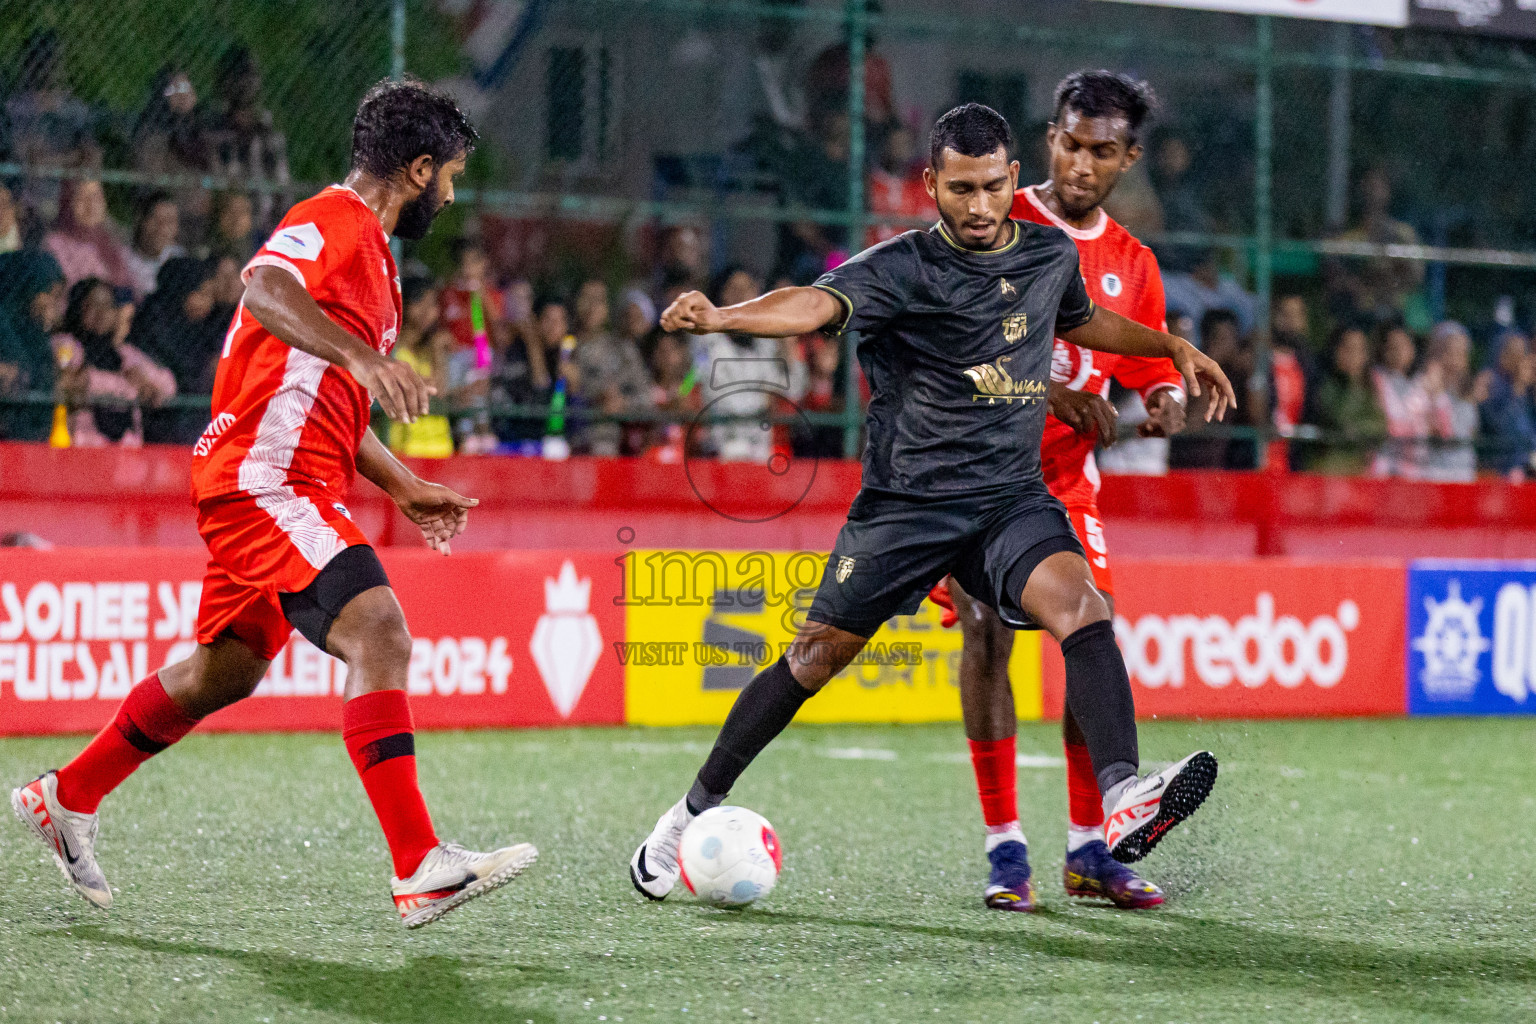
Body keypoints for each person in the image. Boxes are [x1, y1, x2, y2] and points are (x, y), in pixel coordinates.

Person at [629, 103, 1232, 907]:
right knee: (813, 659)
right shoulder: (900, 266)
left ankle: (1122, 800)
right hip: (906, 507)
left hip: (1009, 500)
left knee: (1085, 611)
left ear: (1013, 179)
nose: (978, 208)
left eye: (990, 188)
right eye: (959, 190)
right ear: (931, 186)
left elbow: (1087, 323)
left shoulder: (1049, 252)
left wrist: (1170, 347)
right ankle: (684, 816)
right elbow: (811, 304)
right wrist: (723, 316)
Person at [10, 78, 537, 929]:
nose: (451, 192)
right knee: (380, 630)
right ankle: (418, 865)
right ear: (419, 167)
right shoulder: (334, 220)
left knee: (229, 669)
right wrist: (362, 360)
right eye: (452, 176)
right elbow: (263, 290)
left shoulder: (378, 263)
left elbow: (322, 392)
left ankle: (67, 795)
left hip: (282, 475)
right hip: (267, 479)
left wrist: (402, 484)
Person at [926, 71, 1189, 912]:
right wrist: (1050, 394)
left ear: (1127, 159)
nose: (1081, 163)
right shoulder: (994, 219)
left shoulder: (1132, 264)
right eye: (1070, 143)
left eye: (1101, 151)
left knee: (1092, 641)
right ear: (1051, 137)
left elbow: (1147, 368)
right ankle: (1007, 850)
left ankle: (1089, 848)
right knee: (985, 637)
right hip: (972, 474)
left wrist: (1167, 399)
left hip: (1068, 486)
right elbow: (949, 350)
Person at [695, 265, 807, 462]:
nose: (741, 296)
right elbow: (714, 395)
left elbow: (795, 390)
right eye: (733, 289)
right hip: (720, 449)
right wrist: (764, 398)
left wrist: (788, 345)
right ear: (722, 296)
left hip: (760, 451)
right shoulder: (707, 341)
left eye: (747, 289)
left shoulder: (767, 342)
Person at [53, 277, 175, 445]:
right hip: (83, 445)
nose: (101, 313)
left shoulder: (122, 352)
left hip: (125, 448)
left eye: (108, 306)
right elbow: (70, 383)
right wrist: (126, 386)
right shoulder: (66, 344)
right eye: (92, 306)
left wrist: (146, 382)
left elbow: (168, 384)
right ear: (77, 308)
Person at [130, 256, 226, 443]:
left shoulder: (198, 327)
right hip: (160, 425)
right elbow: (182, 372)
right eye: (202, 294)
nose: (208, 302)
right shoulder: (153, 321)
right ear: (182, 291)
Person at [574, 280, 654, 456]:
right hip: (565, 443)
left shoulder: (622, 350)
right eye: (586, 298)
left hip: (608, 446)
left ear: (608, 309)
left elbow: (646, 399)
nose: (591, 307)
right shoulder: (563, 346)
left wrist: (622, 403)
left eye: (599, 300)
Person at [0, 250, 67, 440]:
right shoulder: (4, 323)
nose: (53, 305)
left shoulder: (35, 334)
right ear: (30, 287)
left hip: (31, 438)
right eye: (49, 294)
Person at [388, 276, 455, 458]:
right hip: (405, 449)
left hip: (441, 449)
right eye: (420, 302)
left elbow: (441, 391)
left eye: (432, 305)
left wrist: (438, 352)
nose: (427, 311)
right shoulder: (392, 350)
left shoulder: (432, 350)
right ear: (406, 304)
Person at [1308, 324, 1387, 476]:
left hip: (1359, 470)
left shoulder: (1369, 387)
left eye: (1360, 349)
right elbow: (1341, 420)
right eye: (1348, 348)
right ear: (1335, 351)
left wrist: (1360, 430)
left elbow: (1380, 426)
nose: (1354, 355)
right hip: (1329, 471)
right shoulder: (1324, 383)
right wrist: (1352, 380)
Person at [1420, 321, 1484, 483]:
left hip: (1464, 474)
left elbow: (1471, 432)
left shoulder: (1469, 390)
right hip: (1434, 474)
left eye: (1461, 353)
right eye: (1450, 352)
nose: (1456, 359)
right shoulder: (1423, 387)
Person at [43, 178, 132, 291]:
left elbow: (125, 288)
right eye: (81, 198)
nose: (91, 206)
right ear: (68, 202)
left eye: (96, 197)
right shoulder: (55, 245)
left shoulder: (112, 245)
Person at [1372, 323, 1432, 478]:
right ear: (1383, 350)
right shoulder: (1376, 379)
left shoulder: (1422, 382)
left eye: (1404, 346)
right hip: (1386, 468)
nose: (1398, 352)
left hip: (1416, 470)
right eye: (1393, 347)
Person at [1480, 329, 1536, 480]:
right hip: (1498, 470)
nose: (1521, 358)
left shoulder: (1525, 388)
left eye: (1523, 352)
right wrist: (1518, 387)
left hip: (1525, 467)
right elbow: (1498, 426)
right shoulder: (1491, 382)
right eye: (1515, 352)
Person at [123, 192, 185, 301]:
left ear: (177, 228)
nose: (162, 228)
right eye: (156, 219)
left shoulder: (180, 259)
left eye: (169, 221)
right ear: (142, 221)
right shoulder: (121, 258)